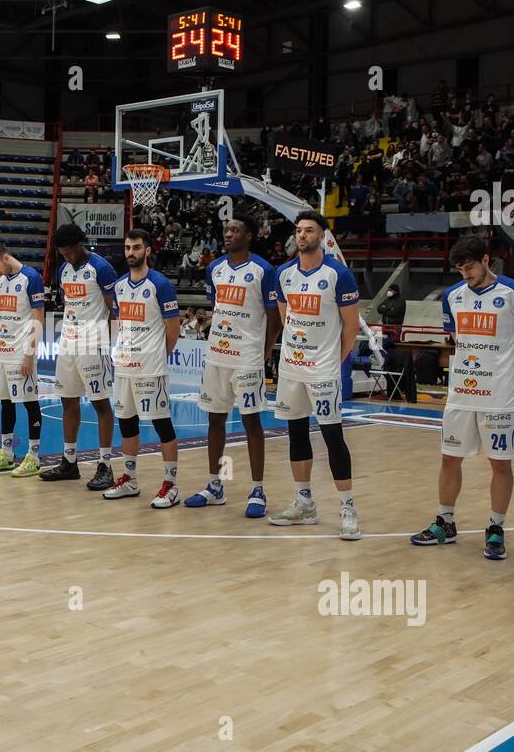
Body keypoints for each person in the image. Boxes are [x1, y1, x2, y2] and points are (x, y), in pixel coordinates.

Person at [409, 237, 514, 559]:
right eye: (460, 269)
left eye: (469, 267)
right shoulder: (452, 296)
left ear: (486, 260)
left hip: (500, 396)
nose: (465, 274)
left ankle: (495, 527)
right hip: (462, 393)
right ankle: (445, 521)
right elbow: (457, 340)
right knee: (449, 458)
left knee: (500, 464)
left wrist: (508, 373)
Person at [268, 211, 363, 539]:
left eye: (309, 230)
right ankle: (304, 502)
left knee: (332, 437)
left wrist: (333, 360)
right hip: (291, 369)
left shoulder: (339, 275)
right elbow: (286, 318)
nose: (302, 235)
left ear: (322, 235)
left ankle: (348, 507)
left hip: (322, 370)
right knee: (295, 434)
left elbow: (351, 326)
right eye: (299, 230)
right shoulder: (283, 274)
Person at [183, 214, 280, 518]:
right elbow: (217, 308)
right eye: (226, 230)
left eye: (235, 230)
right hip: (217, 356)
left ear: (249, 235)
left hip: (247, 357)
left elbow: (274, 319)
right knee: (215, 421)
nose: (228, 234)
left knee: (252, 423)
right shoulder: (214, 268)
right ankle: (216, 485)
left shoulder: (263, 270)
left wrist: (263, 352)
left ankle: (258, 489)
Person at [101, 228, 182, 508]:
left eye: (136, 248)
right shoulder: (120, 286)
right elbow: (117, 321)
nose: (131, 253)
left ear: (147, 251)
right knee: (127, 424)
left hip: (150, 368)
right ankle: (130, 479)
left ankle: (171, 485)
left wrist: (160, 354)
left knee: (162, 425)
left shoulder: (160, 284)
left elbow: (173, 327)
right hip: (124, 367)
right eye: (127, 248)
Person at [40, 223, 118, 489]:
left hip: (93, 345)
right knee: (68, 402)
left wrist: (111, 343)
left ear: (78, 246)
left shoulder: (102, 268)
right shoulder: (64, 270)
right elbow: (69, 304)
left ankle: (106, 465)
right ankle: (69, 462)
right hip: (69, 344)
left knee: (100, 404)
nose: (65, 257)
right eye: (61, 253)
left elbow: (114, 309)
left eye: (67, 252)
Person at [0, 243, 47, 477]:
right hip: (2, 351)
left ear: (6, 258)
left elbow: (39, 318)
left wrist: (30, 353)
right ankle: (6, 454)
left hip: (21, 352)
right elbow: (2, 317)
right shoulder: (1, 282)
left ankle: (33, 457)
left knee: (29, 403)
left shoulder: (31, 277)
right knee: (5, 402)